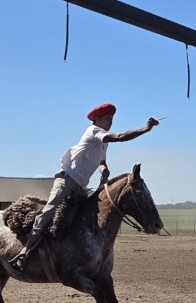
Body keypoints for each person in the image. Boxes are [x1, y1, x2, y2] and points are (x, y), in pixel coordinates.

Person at [9, 103, 160, 271]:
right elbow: (118, 137)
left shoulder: (103, 141)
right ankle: (26, 249)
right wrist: (145, 129)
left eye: (112, 119)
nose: (110, 122)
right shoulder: (94, 131)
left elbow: (100, 161)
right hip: (66, 181)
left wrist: (104, 169)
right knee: (49, 211)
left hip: (80, 185)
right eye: (107, 119)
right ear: (97, 120)